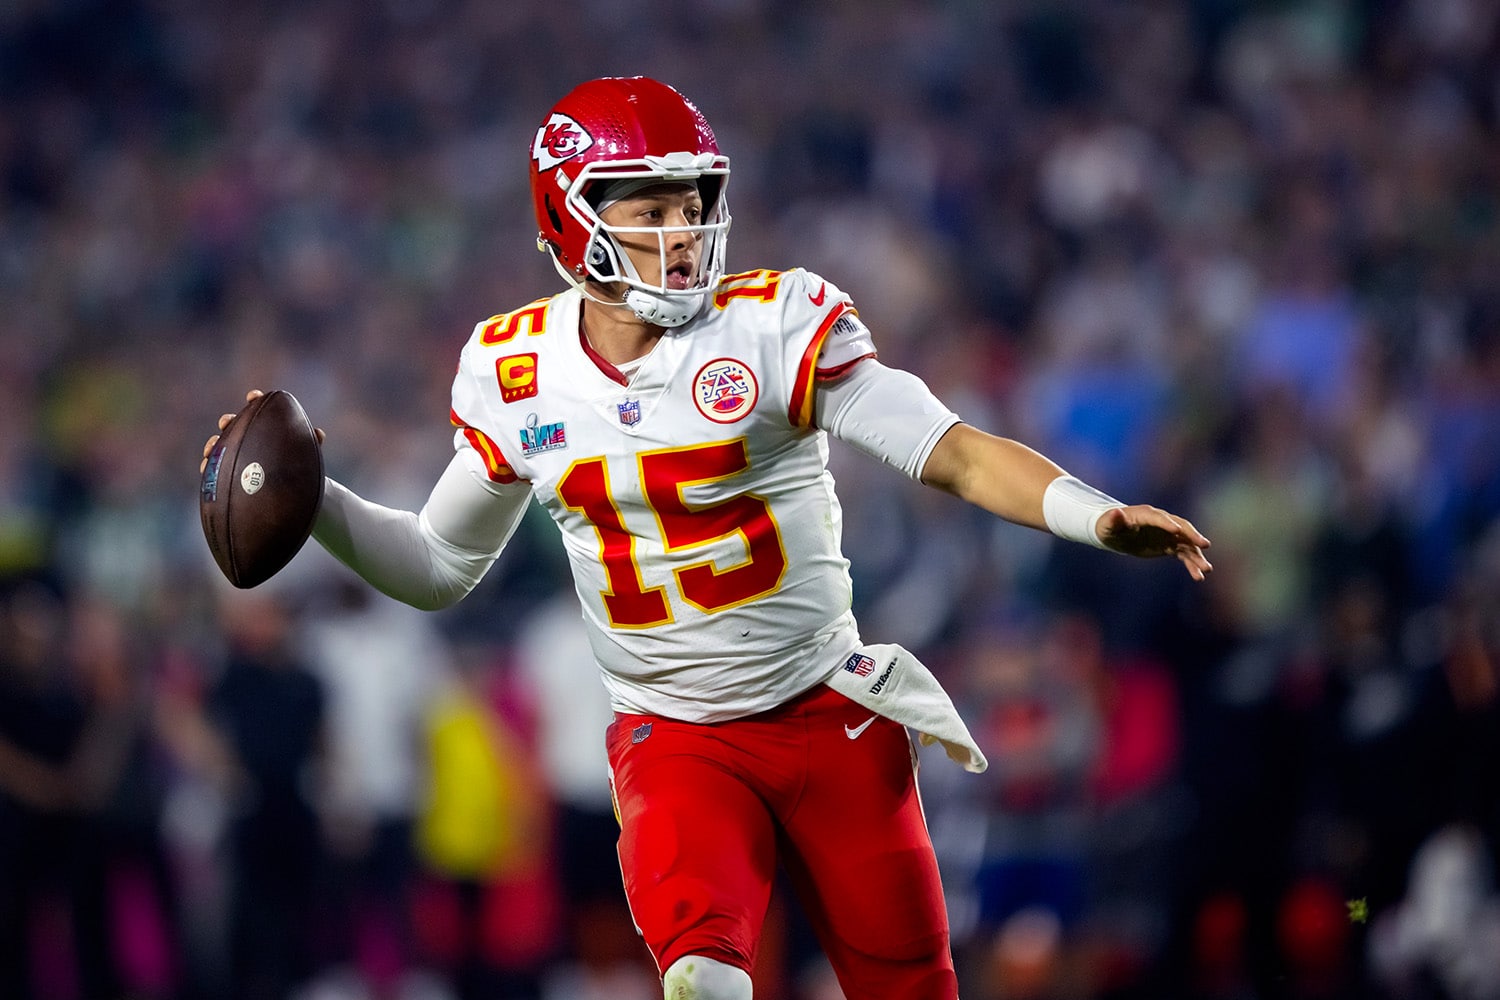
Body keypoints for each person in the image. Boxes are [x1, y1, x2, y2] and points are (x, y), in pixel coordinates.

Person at [202, 76, 1211, 1000]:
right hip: (676, 735)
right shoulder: (517, 370)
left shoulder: (773, 323)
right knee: (703, 975)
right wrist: (318, 504)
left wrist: (1093, 513)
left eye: (692, 203)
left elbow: (950, 450)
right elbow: (435, 565)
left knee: (911, 983)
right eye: (648, 210)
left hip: (831, 710)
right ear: (572, 216)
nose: (682, 232)